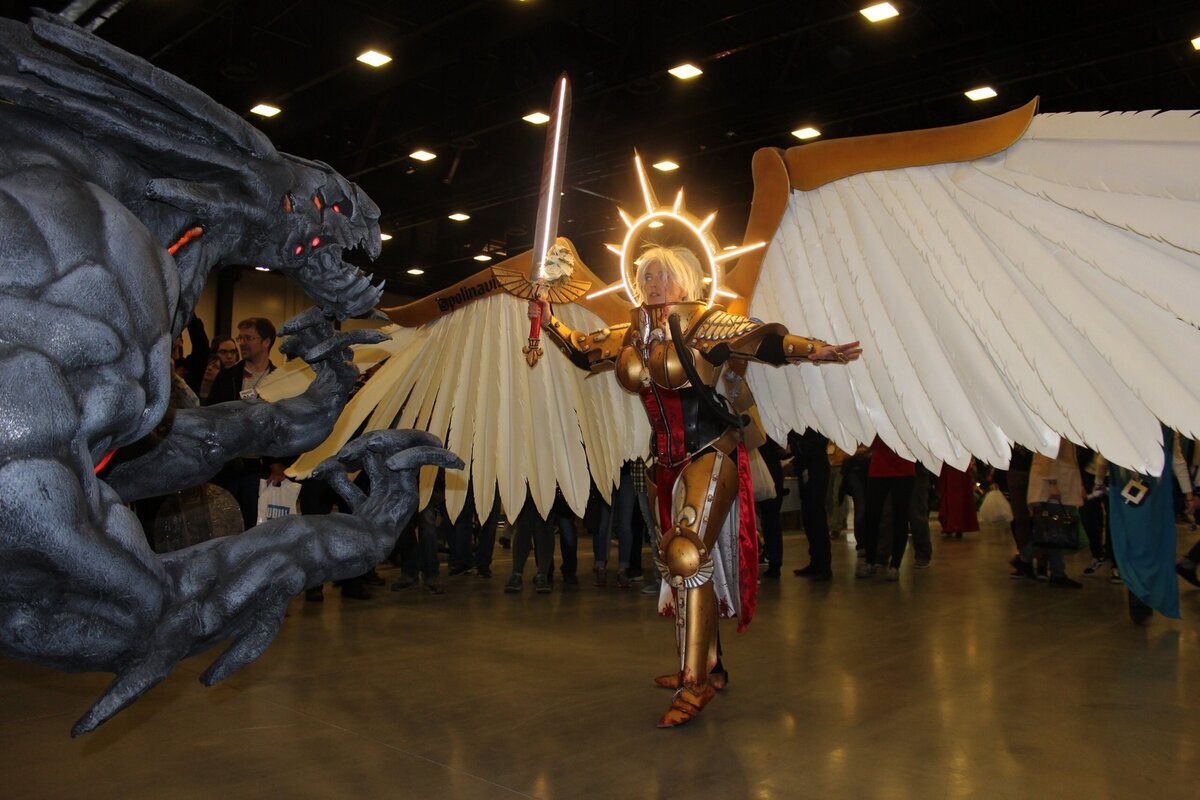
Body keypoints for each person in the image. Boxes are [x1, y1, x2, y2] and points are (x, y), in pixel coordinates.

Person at [533, 243, 860, 727]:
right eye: (645, 276)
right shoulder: (633, 333)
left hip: (711, 453)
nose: (651, 284)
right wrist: (548, 318)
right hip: (663, 463)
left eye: (661, 275)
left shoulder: (710, 324)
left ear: (684, 278)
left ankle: (695, 683)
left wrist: (816, 350)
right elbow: (585, 354)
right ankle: (710, 663)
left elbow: (766, 342)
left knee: (687, 552)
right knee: (676, 562)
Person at [1009, 438, 1084, 589]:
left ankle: (1055, 573)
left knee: (1053, 532)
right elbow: (1047, 455)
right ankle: (1027, 560)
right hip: (1051, 487)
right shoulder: (1053, 426)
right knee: (1054, 531)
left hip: (1056, 484)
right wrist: (1052, 483)